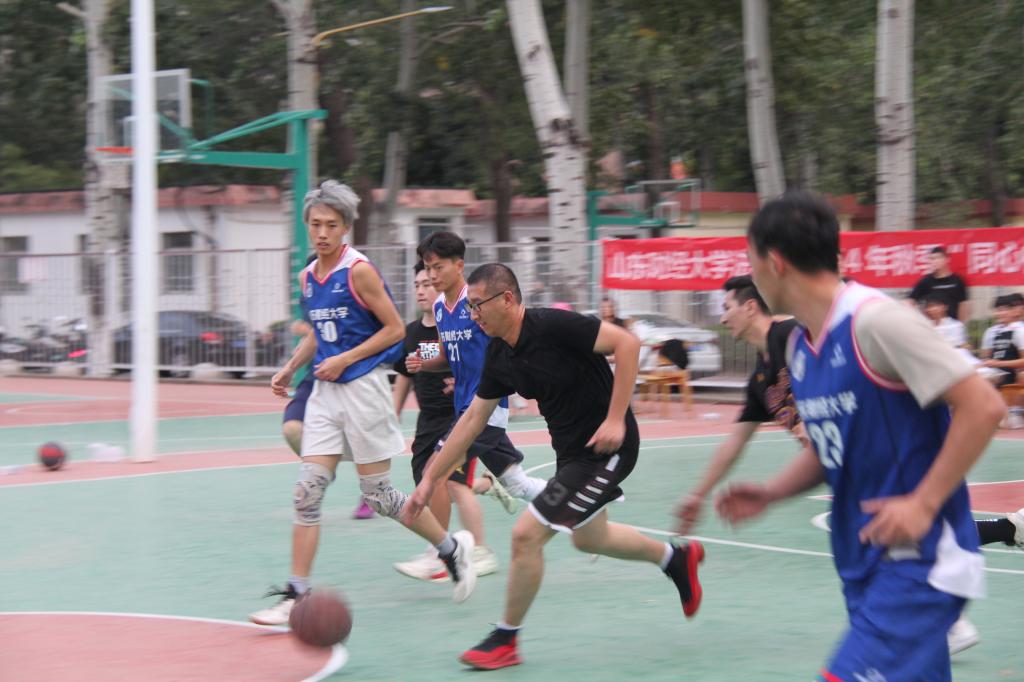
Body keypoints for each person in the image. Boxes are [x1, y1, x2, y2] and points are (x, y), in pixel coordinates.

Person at [718, 190, 1004, 680]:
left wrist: (923, 503)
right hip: (863, 563)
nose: (751, 274)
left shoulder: (876, 321)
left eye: (751, 261)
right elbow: (831, 448)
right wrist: (772, 491)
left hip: (919, 563)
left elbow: (984, 406)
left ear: (775, 262)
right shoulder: (802, 348)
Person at [403, 263, 705, 671]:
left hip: (607, 448)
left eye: (477, 305)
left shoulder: (554, 327)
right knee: (590, 539)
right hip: (571, 455)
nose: (472, 315)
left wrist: (616, 419)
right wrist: (430, 480)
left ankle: (505, 640)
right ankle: (675, 559)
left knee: (526, 535)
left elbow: (628, 344)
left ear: (506, 299)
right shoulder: (499, 353)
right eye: (469, 307)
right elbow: (473, 419)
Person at [249, 180, 476, 626]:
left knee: (379, 496)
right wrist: (290, 367)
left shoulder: (359, 272)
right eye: (316, 224)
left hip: (362, 388)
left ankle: (450, 549)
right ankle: (296, 593)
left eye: (332, 225)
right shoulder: (307, 278)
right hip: (325, 393)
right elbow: (318, 334)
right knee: (307, 491)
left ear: (346, 227)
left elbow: (393, 330)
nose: (323, 233)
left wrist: (346, 359)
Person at [394, 232, 549, 582]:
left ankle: (440, 554)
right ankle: (575, 499)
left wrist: (505, 382)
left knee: (436, 471)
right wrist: (426, 362)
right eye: (428, 269)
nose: (432, 275)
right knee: (517, 484)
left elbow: (502, 343)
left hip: (484, 410)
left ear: (459, 265)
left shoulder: (476, 302)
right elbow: (450, 353)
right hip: (466, 407)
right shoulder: (440, 308)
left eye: (439, 267)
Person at [391, 261, 503, 581]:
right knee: (433, 481)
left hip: (463, 415)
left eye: (428, 282)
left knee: (450, 482)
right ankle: (488, 487)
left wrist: (462, 375)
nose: (423, 289)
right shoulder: (414, 332)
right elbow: (406, 373)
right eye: (418, 284)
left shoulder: (464, 314)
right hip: (429, 420)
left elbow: (471, 355)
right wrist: (393, 414)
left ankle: (465, 551)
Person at [675, 274, 805, 536]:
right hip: (837, 467)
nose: (723, 319)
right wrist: (698, 495)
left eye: (727, 308)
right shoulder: (759, 382)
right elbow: (735, 441)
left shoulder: (793, 335)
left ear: (750, 307)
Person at [282, 320, 375, 521]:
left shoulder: (355, 302)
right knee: (291, 428)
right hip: (315, 379)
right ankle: (324, 470)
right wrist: (291, 366)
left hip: (353, 378)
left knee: (358, 441)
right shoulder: (309, 301)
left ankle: (371, 493)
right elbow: (316, 335)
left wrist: (307, 331)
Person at [979, 294, 1024, 429]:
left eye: (1004, 310)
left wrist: (998, 364)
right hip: (995, 372)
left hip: (1011, 371)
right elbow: (985, 357)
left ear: (1013, 311)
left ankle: (1014, 411)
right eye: (998, 310)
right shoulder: (991, 332)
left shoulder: (1019, 330)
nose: (1000, 313)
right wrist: (984, 363)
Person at [907, 246, 969, 321]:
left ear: (947, 259)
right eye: (932, 259)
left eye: (938, 258)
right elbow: (910, 301)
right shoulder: (925, 281)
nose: (935, 261)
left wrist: (961, 324)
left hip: (952, 324)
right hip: (933, 325)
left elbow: (962, 305)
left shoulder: (957, 280)